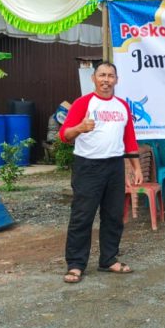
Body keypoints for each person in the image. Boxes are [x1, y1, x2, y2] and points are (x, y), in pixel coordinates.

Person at [59, 62, 142, 283]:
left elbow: (129, 139)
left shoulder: (122, 106)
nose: (106, 80)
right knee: (82, 216)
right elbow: (64, 135)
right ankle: (76, 264)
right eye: (102, 75)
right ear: (93, 78)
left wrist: (136, 167)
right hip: (88, 166)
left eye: (110, 76)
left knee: (113, 215)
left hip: (115, 166)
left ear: (117, 80)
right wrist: (80, 128)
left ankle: (108, 259)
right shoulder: (83, 103)